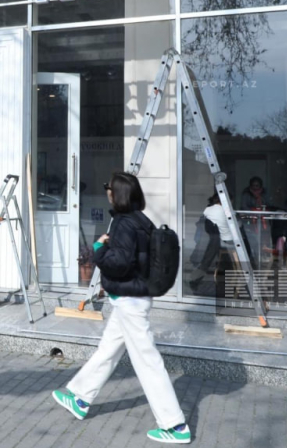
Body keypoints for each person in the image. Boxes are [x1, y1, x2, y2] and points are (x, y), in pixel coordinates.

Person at [52, 172, 191, 444]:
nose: (107, 191)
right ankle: (80, 397)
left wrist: (98, 249)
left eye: (110, 187)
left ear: (119, 194)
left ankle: (174, 425)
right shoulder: (140, 220)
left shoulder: (124, 223)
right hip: (129, 298)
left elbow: (121, 263)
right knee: (108, 350)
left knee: (147, 361)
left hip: (131, 301)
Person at [189, 193, 233, 285]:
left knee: (208, 259)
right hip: (224, 241)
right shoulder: (225, 211)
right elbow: (236, 225)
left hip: (213, 241)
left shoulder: (207, 210)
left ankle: (197, 278)